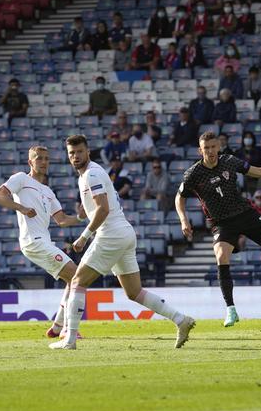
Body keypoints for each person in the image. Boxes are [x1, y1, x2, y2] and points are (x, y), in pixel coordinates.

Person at [49, 135, 195, 350]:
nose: (75, 156)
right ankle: (181, 320)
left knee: (78, 282)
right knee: (134, 292)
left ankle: (69, 340)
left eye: (79, 151)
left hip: (111, 234)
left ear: (88, 151)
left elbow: (103, 209)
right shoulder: (89, 174)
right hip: (124, 233)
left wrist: (83, 237)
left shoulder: (92, 173)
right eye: (71, 153)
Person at [175, 132, 261, 326]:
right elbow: (179, 198)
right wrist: (184, 220)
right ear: (201, 150)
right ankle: (231, 310)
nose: (210, 151)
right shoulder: (193, 174)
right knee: (221, 255)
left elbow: (259, 172)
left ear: (218, 147)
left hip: (245, 214)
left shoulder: (229, 161)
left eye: (213, 147)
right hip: (221, 222)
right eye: (206, 148)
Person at [0, 146, 85, 340]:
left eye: (46, 159)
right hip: (32, 241)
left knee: (74, 278)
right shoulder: (21, 179)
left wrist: (82, 217)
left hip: (44, 241)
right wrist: (22, 208)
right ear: (30, 162)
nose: (43, 162)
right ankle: (66, 328)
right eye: (39, 158)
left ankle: (58, 327)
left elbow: (62, 220)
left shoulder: (48, 191)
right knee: (76, 276)